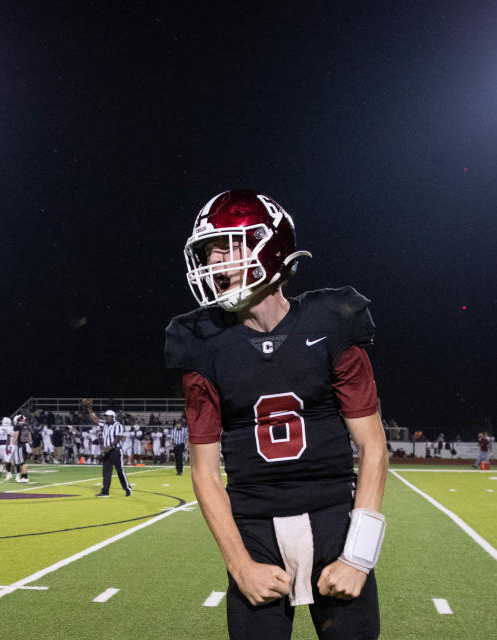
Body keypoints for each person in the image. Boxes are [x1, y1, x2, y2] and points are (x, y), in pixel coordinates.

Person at [165, 190, 388, 639]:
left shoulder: (332, 320)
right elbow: (205, 472)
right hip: (254, 530)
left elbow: (373, 447)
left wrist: (358, 557)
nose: (216, 260)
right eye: (210, 249)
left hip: (334, 523)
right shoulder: (200, 341)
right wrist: (239, 565)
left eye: (230, 245)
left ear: (271, 247)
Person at [96, 410, 131, 497]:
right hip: (107, 451)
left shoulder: (118, 425)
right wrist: (89, 410)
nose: (107, 417)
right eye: (106, 416)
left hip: (115, 451)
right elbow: (95, 420)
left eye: (108, 416)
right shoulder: (104, 424)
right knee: (106, 472)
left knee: (120, 471)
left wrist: (110, 447)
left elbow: (118, 437)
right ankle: (105, 491)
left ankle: (126, 487)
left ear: (113, 417)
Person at [11, 415, 33, 483]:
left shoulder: (18, 426)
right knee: (23, 462)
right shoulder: (27, 426)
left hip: (21, 446)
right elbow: (30, 438)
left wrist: (13, 444)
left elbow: (16, 436)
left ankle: (25, 477)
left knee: (22, 463)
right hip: (26, 445)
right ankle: (23, 477)